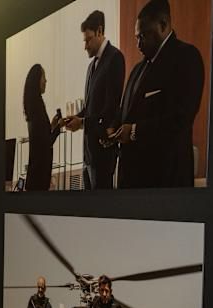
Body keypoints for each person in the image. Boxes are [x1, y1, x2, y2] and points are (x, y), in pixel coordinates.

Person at [111, 0, 204, 188]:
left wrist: (135, 131)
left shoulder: (186, 57)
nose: (138, 44)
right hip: (131, 181)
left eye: (143, 36)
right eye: (136, 37)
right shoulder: (137, 69)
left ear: (163, 25)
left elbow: (181, 118)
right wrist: (113, 128)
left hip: (164, 179)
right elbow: (126, 111)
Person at [65, 10, 125, 189]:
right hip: (88, 154)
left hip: (102, 153)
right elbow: (89, 108)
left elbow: (111, 109)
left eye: (88, 40)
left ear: (100, 31)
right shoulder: (91, 66)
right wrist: (75, 118)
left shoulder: (115, 58)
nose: (85, 46)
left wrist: (82, 122)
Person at [23, 64, 65, 191]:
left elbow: (40, 136)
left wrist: (52, 126)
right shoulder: (37, 106)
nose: (46, 81)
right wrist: (58, 127)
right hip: (40, 174)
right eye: (43, 77)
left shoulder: (33, 105)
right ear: (37, 80)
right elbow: (46, 142)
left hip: (36, 172)